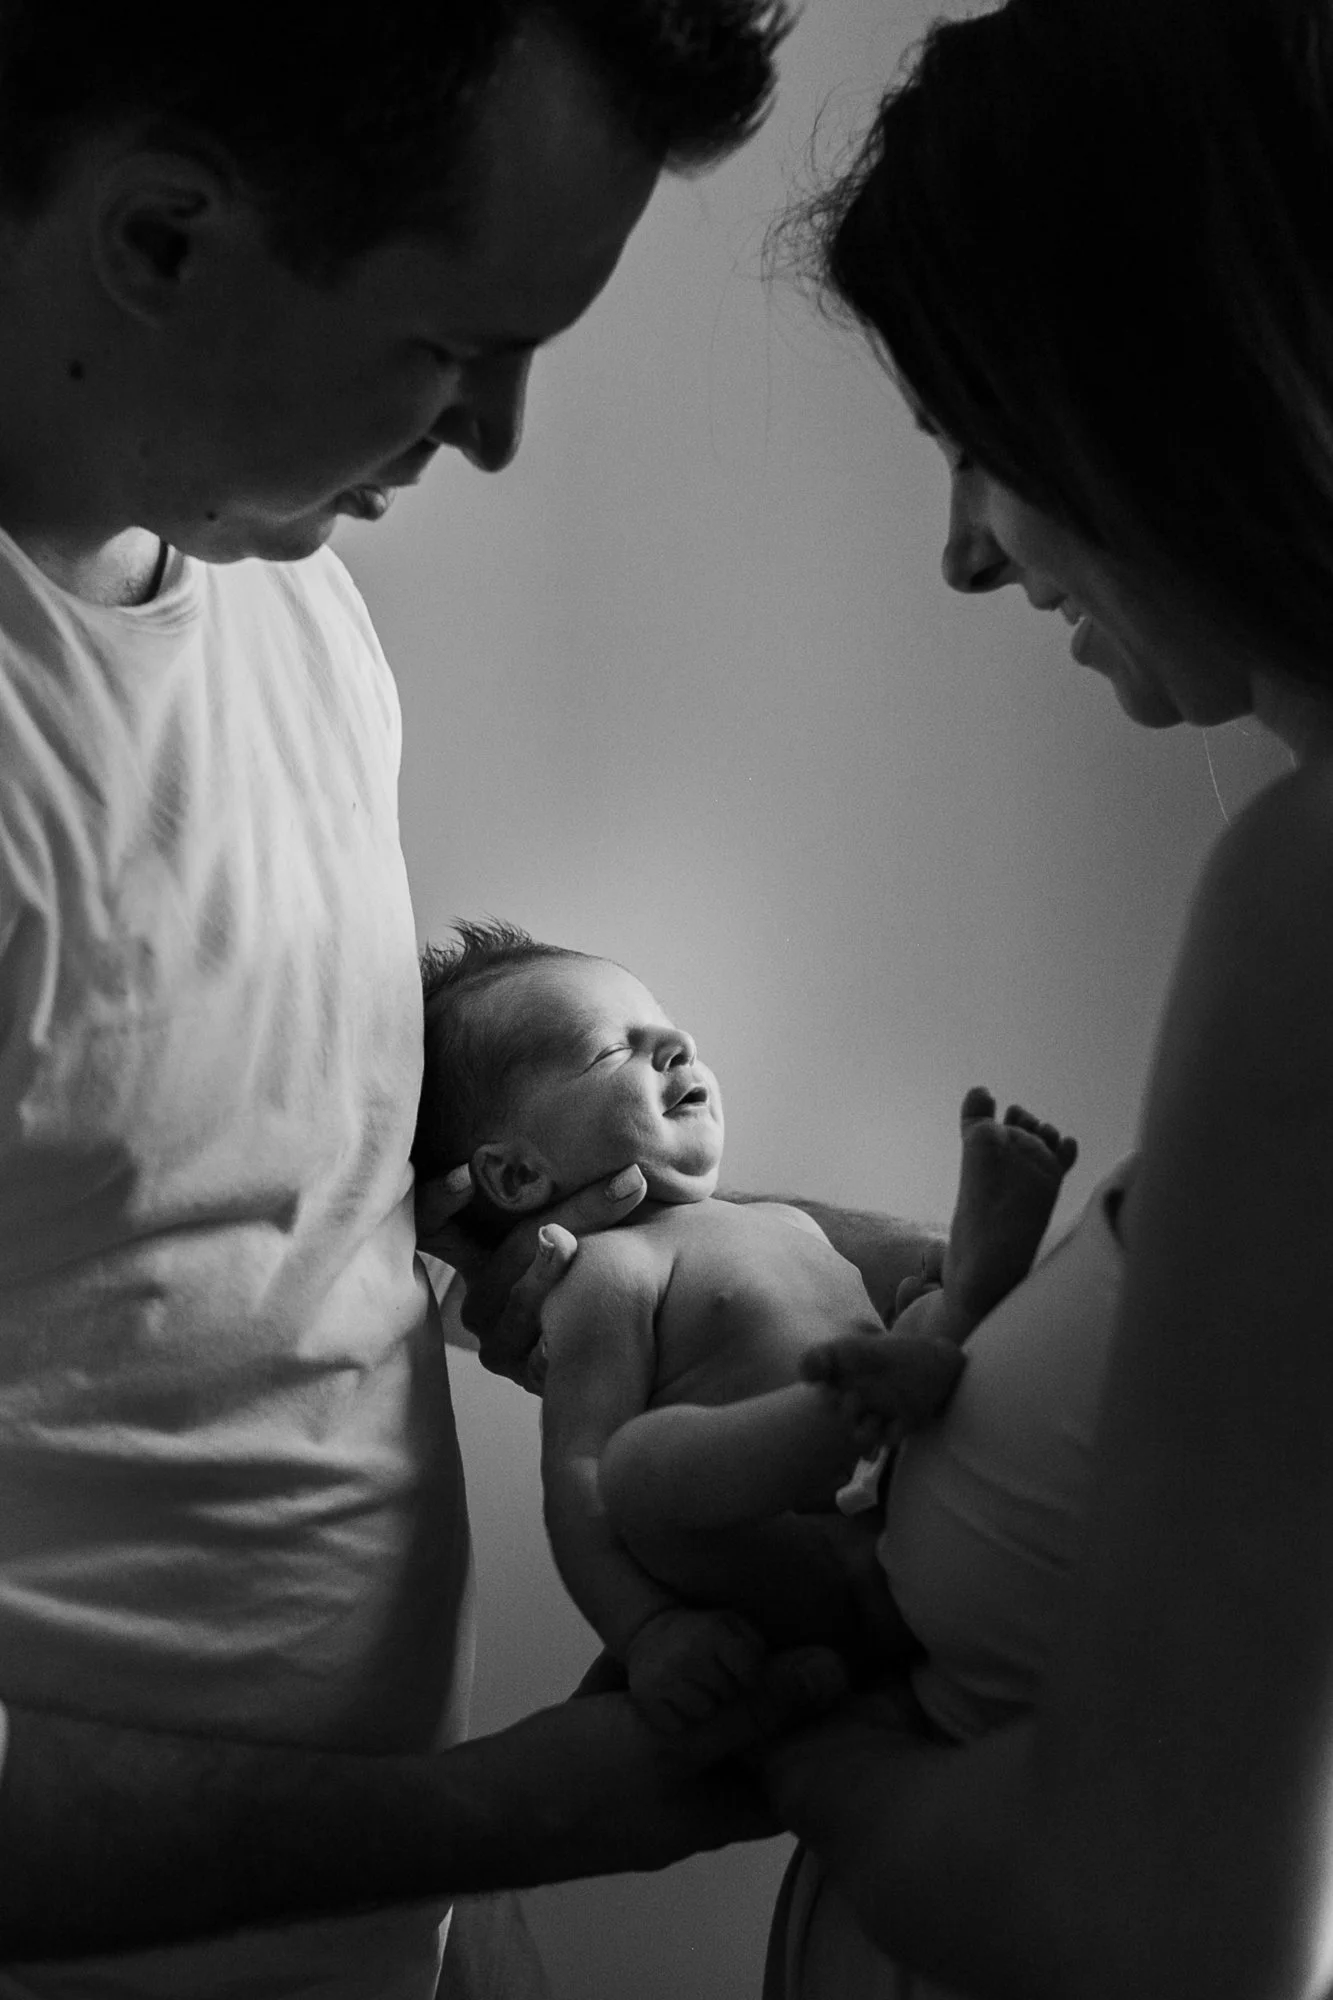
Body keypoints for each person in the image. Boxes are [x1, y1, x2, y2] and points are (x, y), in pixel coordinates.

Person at [0, 6, 960, 1994]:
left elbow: (227, 1239)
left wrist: (699, 1276)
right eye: (453, 345)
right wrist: (515, 1807)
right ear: (162, 239)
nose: (501, 434)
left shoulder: (281, 591)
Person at [744, 0, 1333, 1993]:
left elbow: (1168, 1922)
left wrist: (831, 1766)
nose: (960, 557)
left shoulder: (1313, 890)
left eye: (971, 443)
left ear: (1153, 384)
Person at [414, 921, 1078, 1729]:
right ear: (517, 1173)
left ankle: (965, 1301)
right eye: (610, 1049)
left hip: (913, 1511)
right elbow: (578, 1481)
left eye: (662, 1019)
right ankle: (851, 1400)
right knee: (633, 1472)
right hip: (805, 1570)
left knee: (924, 1299)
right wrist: (647, 1631)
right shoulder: (602, 1272)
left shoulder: (786, 1227)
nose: (675, 1040)